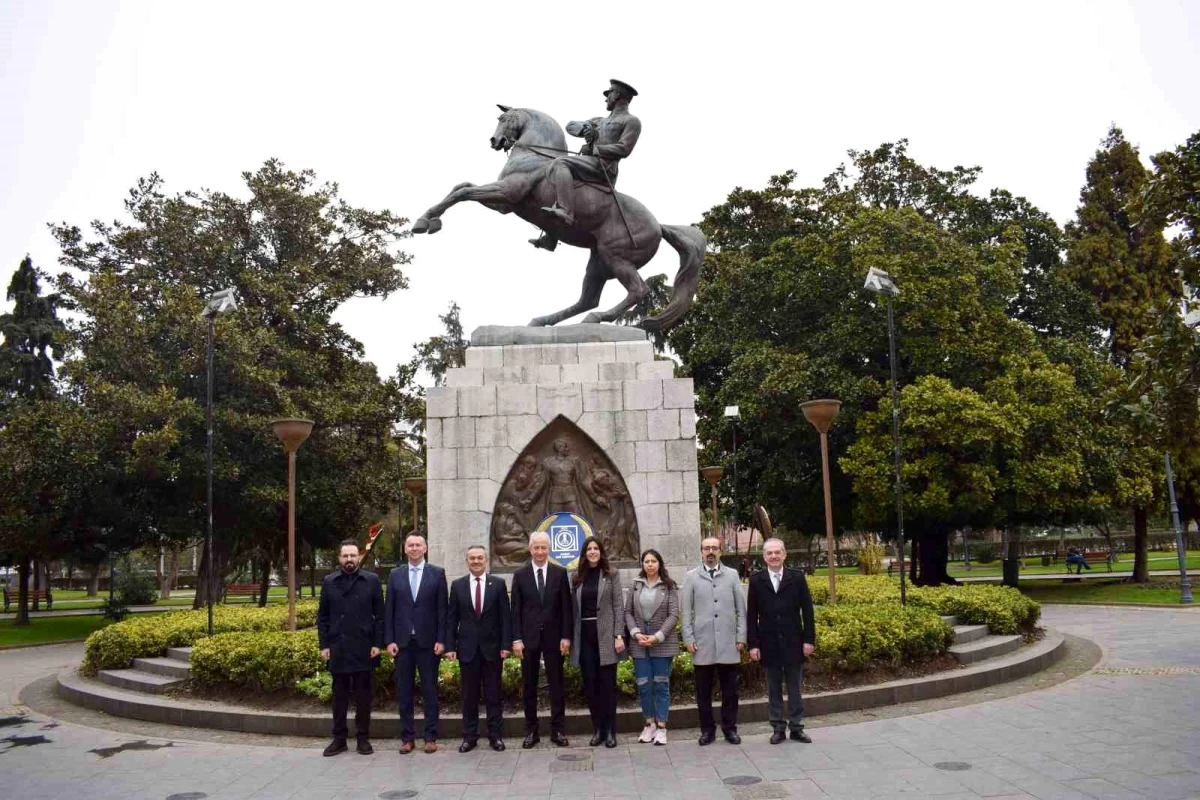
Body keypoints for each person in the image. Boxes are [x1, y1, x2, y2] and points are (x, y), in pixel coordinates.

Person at [531, 79, 642, 250]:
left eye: (609, 94)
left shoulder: (631, 121)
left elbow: (624, 148)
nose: (606, 98)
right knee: (558, 184)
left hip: (604, 167)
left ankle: (566, 212)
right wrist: (585, 129)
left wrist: (597, 148)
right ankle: (551, 236)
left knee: (560, 163)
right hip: (589, 162)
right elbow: (570, 125)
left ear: (617, 95)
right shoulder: (598, 120)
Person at [317, 539, 384, 757]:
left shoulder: (371, 580)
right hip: (339, 647)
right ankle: (339, 739)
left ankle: (363, 738)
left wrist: (377, 643)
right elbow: (323, 617)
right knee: (339, 697)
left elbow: (380, 617)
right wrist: (324, 645)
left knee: (364, 697)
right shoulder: (329, 581)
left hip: (364, 647)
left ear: (359, 557)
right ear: (339, 559)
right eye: (345, 556)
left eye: (353, 556)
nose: (349, 560)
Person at [747, 538, 816, 745]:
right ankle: (777, 727)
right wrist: (753, 644)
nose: (774, 556)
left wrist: (809, 640)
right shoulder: (757, 580)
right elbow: (752, 615)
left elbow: (808, 611)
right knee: (774, 688)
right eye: (769, 553)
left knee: (795, 687)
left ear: (784, 555)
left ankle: (796, 727)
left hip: (794, 642)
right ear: (764, 557)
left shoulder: (797, 577)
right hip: (768, 643)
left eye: (777, 552)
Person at [384, 533, 448, 755]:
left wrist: (442, 640)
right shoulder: (395, 575)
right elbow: (389, 610)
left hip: (428, 644)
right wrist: (389, 640)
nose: (414, 548)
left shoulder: (437, 574)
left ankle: (430, 737)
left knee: (430, 691)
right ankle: (407, 738)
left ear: (425, 548)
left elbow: (443, 610)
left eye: (418, 545)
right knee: (404, 692)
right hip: (402, 644)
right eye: (410, 545)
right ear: (405, 549)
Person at [445, 545, 513, 753]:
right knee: (469, 697)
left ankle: (495, 736)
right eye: (472, 558)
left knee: (494, 696)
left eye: (479, 558)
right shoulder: (457, 586)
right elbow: (451, 619)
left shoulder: (498, 585)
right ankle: (469, 737)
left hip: (492, 650)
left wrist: (505, 645)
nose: (476, 561)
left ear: (486, 560)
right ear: (466, 561)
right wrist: (450, 646)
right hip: (467, 650)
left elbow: (505, 618)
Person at [510, 531, 574, 748]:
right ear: (530, 549)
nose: (539, 552)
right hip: (528, 640)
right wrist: (516, 639)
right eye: (536, 548)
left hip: (554, 639)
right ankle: (531, 731)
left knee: (557, 685)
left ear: (549, 549)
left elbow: (566, 608)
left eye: (543, 548)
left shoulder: (559, 573)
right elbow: (515, 610)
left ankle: (558, 730)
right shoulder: (520, 575)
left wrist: (566, 636)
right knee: (529, 686)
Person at [681, 537, 747, 746]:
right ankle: (707, 730)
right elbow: (685, 613)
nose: (710, 551)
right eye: (706, 548)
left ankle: (730, 729)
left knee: (731, 692)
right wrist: (688, 638)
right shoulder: (691, 577)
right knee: (703, 692)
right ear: (701, 552)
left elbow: (741, 611)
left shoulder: (732, 575)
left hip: (729, 642)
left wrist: (741, 637)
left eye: (714, 548)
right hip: (702, 643)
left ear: (720, 551)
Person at [570, 536, 625, 748]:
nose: (593, 552)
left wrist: (618, 635)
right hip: (584, 637)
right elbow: (573, 609)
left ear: (601, 552)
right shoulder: (576, 577)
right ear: (584, 553)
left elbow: (618, 606)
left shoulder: (611, 574)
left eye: (596, 548)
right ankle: (598, 730)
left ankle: (611, 731)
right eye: (589, 549)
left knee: (608, 687)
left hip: (606, 636)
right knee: (591, 685)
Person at [625, 548, 680, 746]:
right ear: (642, 564)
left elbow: (673, 614)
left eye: (653, 561)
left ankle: (662, 727)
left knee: (661, 685)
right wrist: (635, 633)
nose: (649, 564)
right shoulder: (636, 585)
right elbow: (628, 612)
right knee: (644, 685)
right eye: (646, 561)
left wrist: (657, 637)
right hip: (639, 643)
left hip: (661, 643)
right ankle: (649, 725)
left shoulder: (669, 586)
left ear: (659, 564)